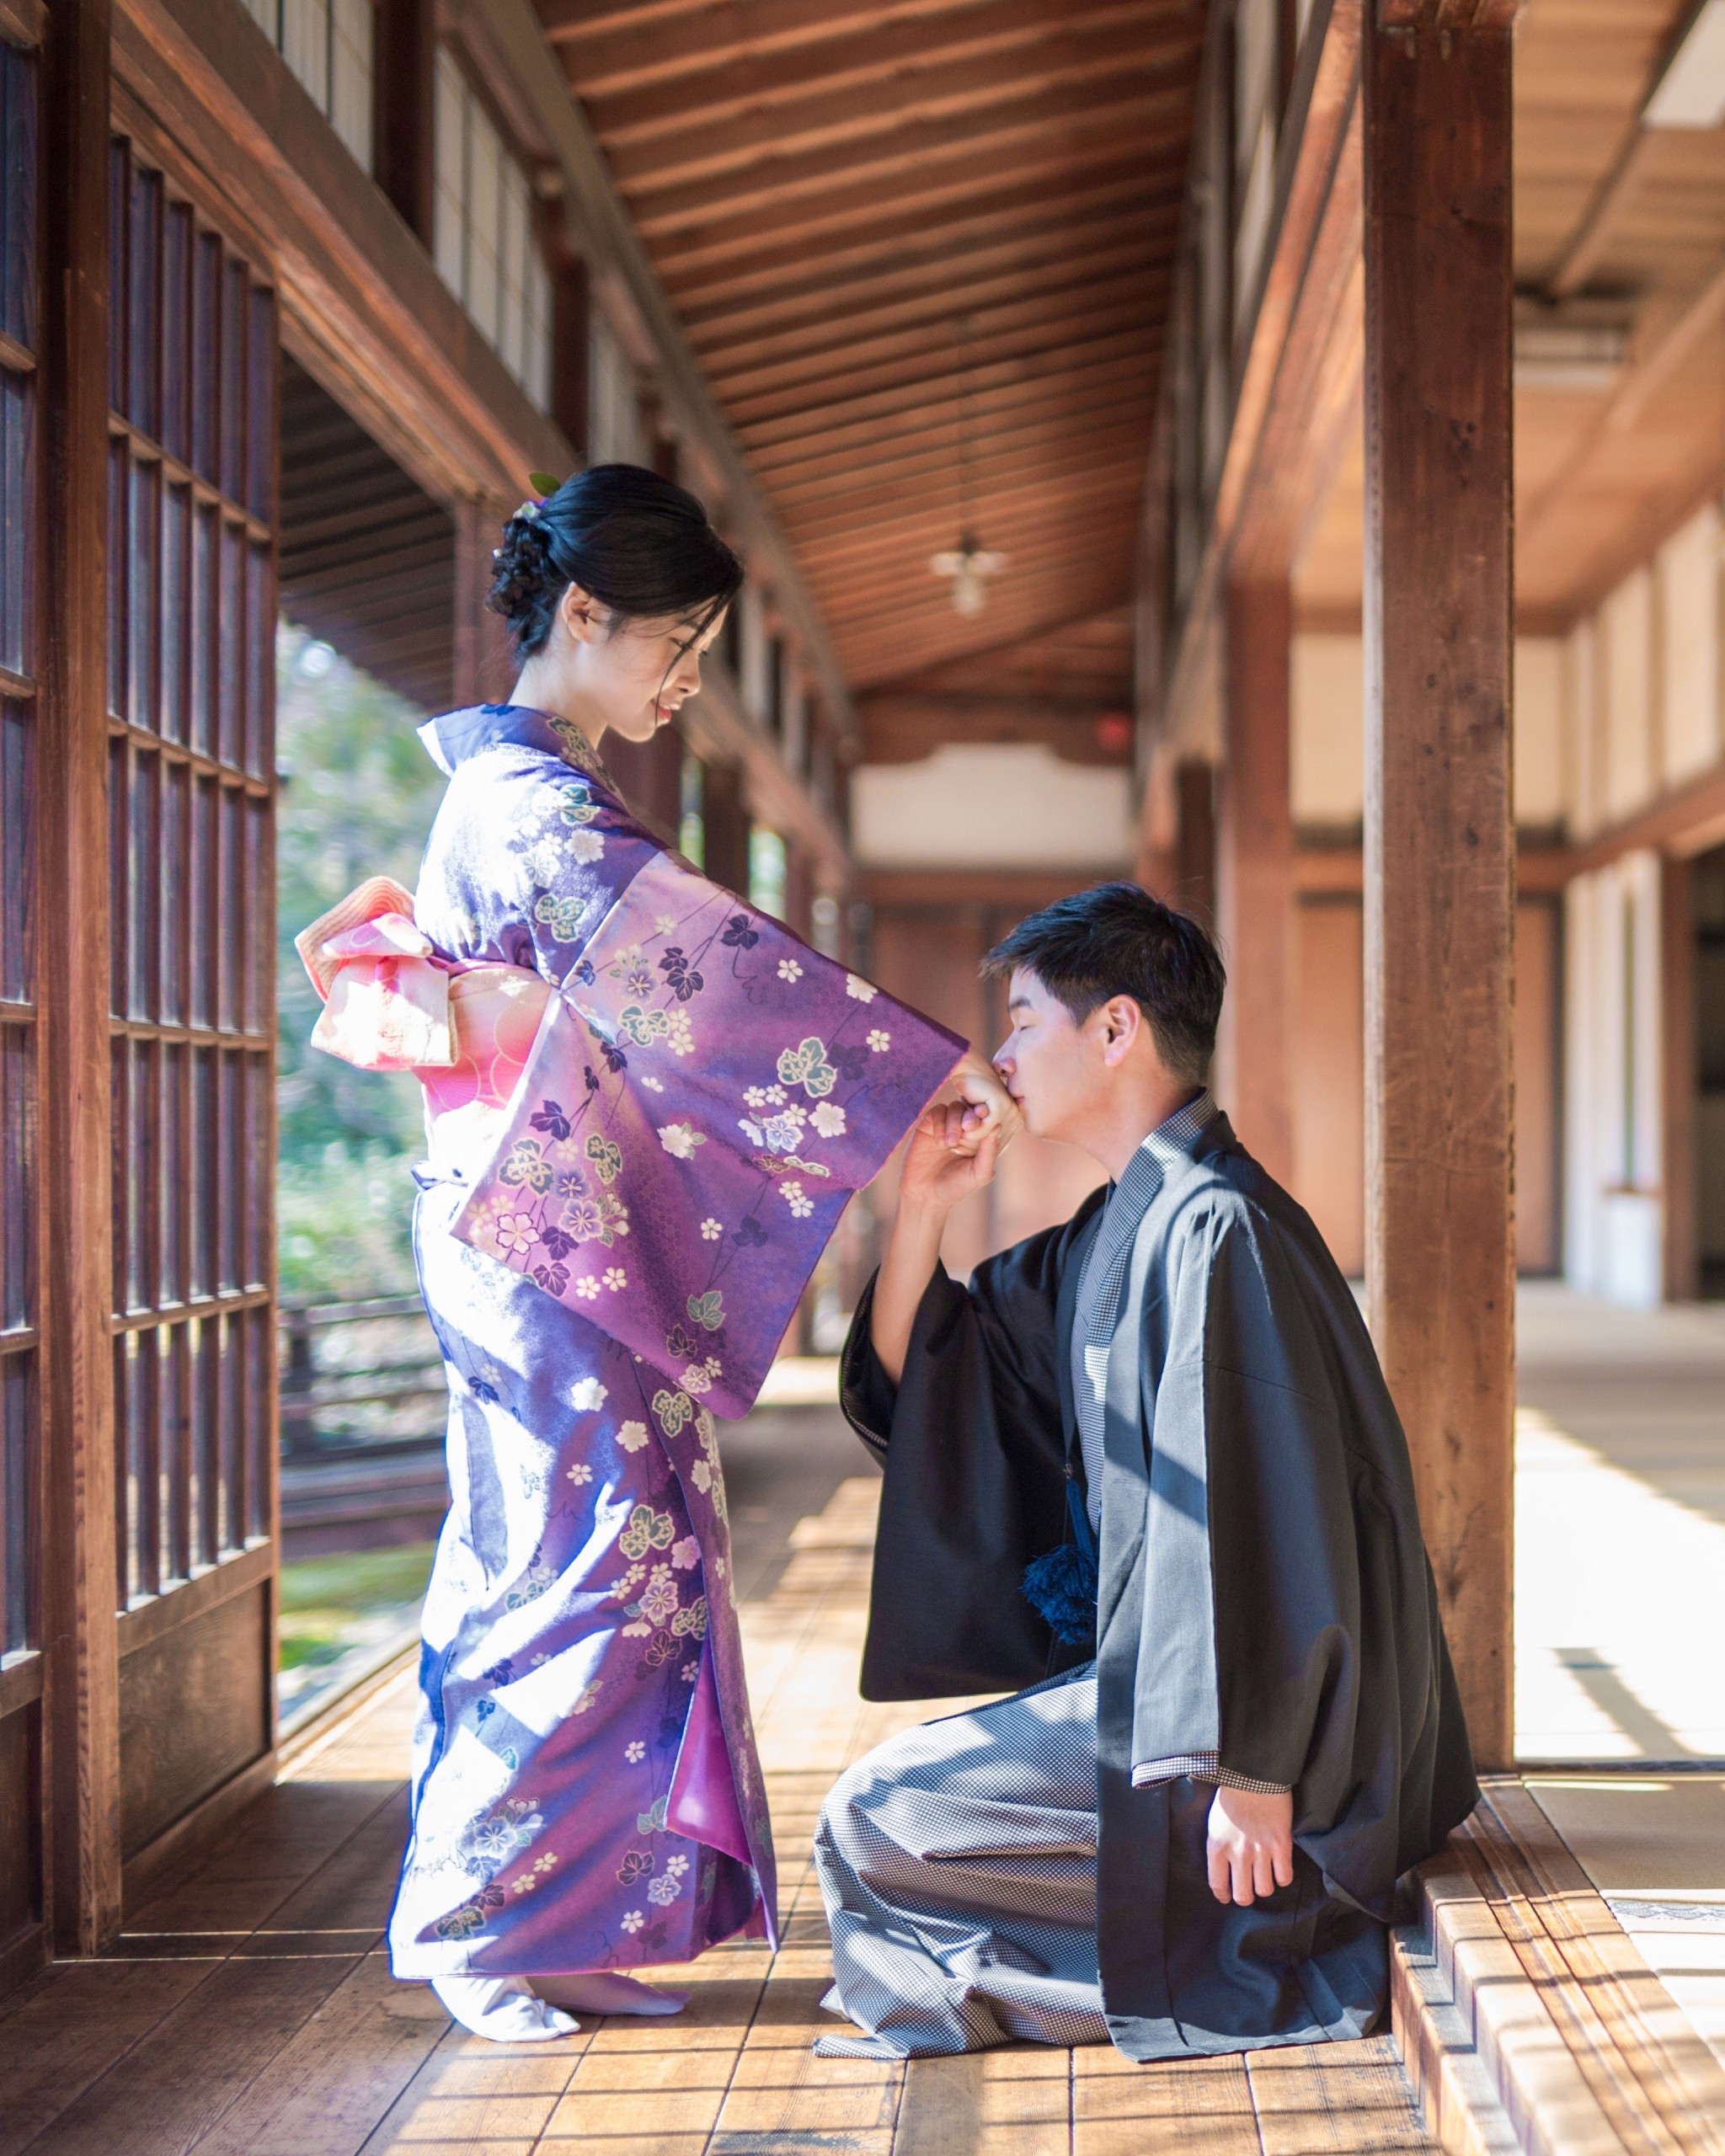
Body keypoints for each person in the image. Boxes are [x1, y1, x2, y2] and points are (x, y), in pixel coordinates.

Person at [297, 464, 1014, 2042]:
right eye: (674, 644)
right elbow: (694, 971)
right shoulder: (525, 804)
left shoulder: (540, 788)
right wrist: (900, 1066)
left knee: (631, 1559)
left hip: (558, 1214)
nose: (687, 679)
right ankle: (481, 1926)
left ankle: (561, 1916)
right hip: (532, 1231)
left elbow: (668, 984)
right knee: (570, 1560)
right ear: (583, 613)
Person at [813, 882, 1478, 2063]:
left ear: (1115, 1030)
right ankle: (1097, 1961)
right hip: (1195, 1699)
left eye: (1023, 1020)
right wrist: (921, 1209)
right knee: (889, 1831)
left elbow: (1270, 1519)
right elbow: (950, 1382)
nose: (1004, 1054)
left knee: (874, 1816)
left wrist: (1255, 1770)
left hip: (1263, 1725)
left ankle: (1225, 1933)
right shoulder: (1134, 1217)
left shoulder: (1219, 1229)